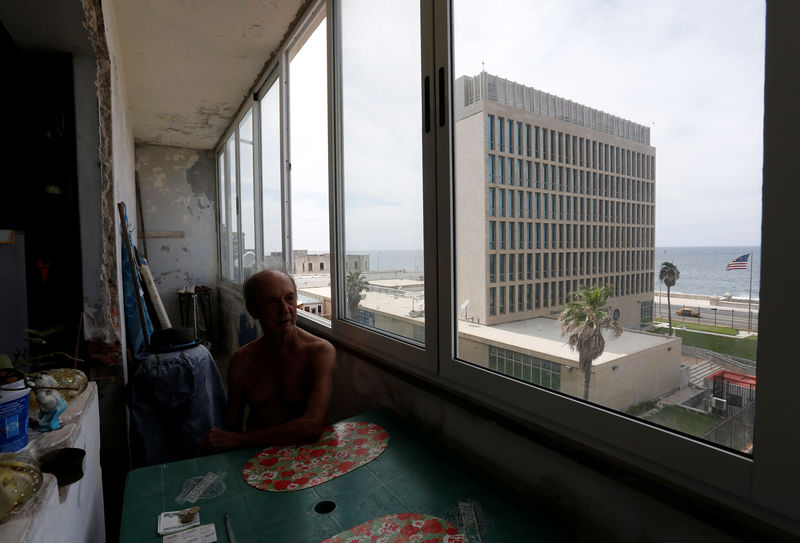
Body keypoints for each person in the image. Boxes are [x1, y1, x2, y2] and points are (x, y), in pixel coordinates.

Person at [200, 269, 335, 453]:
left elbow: (311, 427)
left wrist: (240, 440)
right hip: (254, 457)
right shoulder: (242, 361)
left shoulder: (320, 352)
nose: (284, 310)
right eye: (271, 301)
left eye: (289, 298)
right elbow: (231, 429)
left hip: (307, 458)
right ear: (253, 310)